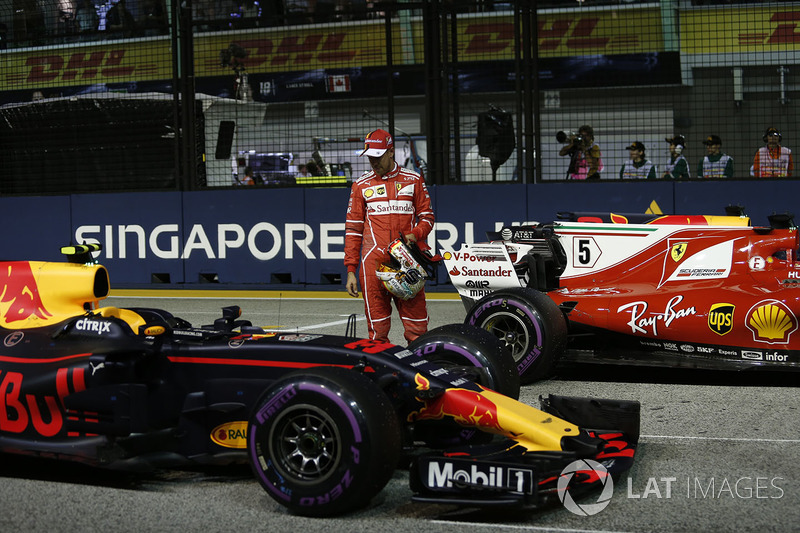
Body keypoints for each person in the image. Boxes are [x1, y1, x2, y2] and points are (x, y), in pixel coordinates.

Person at [344, 129, 435, 344]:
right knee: (377, 331)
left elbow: (428, 217)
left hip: (408, 262)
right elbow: (353, 230)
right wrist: (350, 269)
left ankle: (420, 372)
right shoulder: (360, 185)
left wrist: (416, 234)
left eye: (378, 156)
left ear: (391, 152)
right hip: (372, 265)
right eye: (370, 157)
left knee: (418, 328)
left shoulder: (413, 180)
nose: (373, 162)